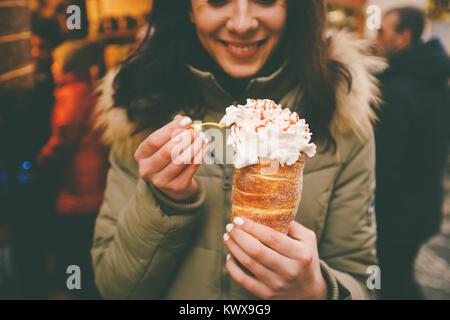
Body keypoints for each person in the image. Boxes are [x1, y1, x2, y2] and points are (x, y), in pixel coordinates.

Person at [92, 0, 386, 300]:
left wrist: (320, 292)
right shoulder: (141, 105)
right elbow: (113, 289)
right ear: (188, 9)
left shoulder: (339, 111)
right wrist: (162, 203)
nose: (242, 24)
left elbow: (364, 280)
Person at [373, 6, 450, 299]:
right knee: (401, 275)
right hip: (425, 206)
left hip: (395, 215)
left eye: (382, 31)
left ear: (403, 37)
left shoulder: (396, 89)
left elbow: (384, 164)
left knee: (390, 282)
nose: (375, 37)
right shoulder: (435, 80)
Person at [37, 40, 109, 300]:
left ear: (66, 65)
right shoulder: (88, 89)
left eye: (56, 62)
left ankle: (80, 292)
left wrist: (40, 161)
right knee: (88, 246)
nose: (52, 67)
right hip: (94, 182)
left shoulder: (71, 93)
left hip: (79, 188)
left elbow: (62, 140)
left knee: (75, 249)